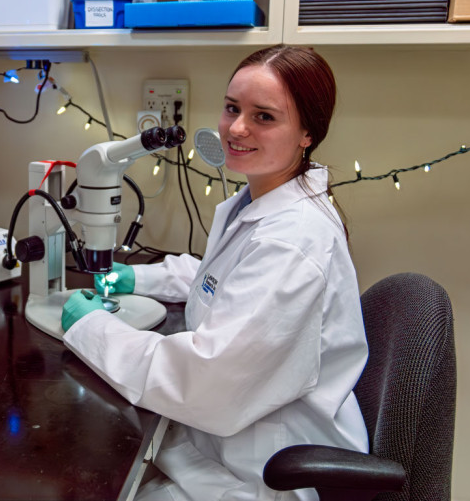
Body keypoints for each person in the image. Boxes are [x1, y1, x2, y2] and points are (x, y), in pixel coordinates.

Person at [60, 45, 368, 501]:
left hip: (262, 475)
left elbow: (208, 381)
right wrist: (137, 279)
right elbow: (222, 278)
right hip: (231, 442)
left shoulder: (292, 241)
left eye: (264, 116)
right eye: (232, 108)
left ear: (307, 132)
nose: (237, 128)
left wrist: (92, 329)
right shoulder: (264, 202)